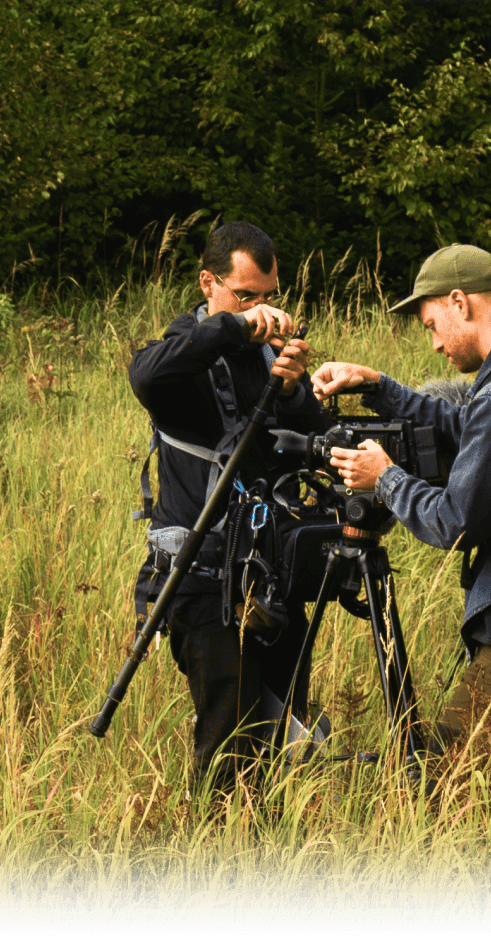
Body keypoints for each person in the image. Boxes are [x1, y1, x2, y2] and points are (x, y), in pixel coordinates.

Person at [310, 244, 491, 761]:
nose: (434, 345)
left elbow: (454, 522)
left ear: (459, 302)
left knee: (459, 795)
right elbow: (465, 427)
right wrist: (379, 387)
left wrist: (385, 478)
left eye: (431, 325)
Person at [128, 220, 331, 802]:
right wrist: (231, 328)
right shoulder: (187, 350)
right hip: (203, 578)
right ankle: (219, 867)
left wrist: (294, 392)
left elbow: (316, 443)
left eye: (270, 297)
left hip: (270, 578)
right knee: (230, 747)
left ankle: (270, 860)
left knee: (279, 734)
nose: (263, 312)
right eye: (247, 296)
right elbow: (145, 373)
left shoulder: (266, 352)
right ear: (209, 284)